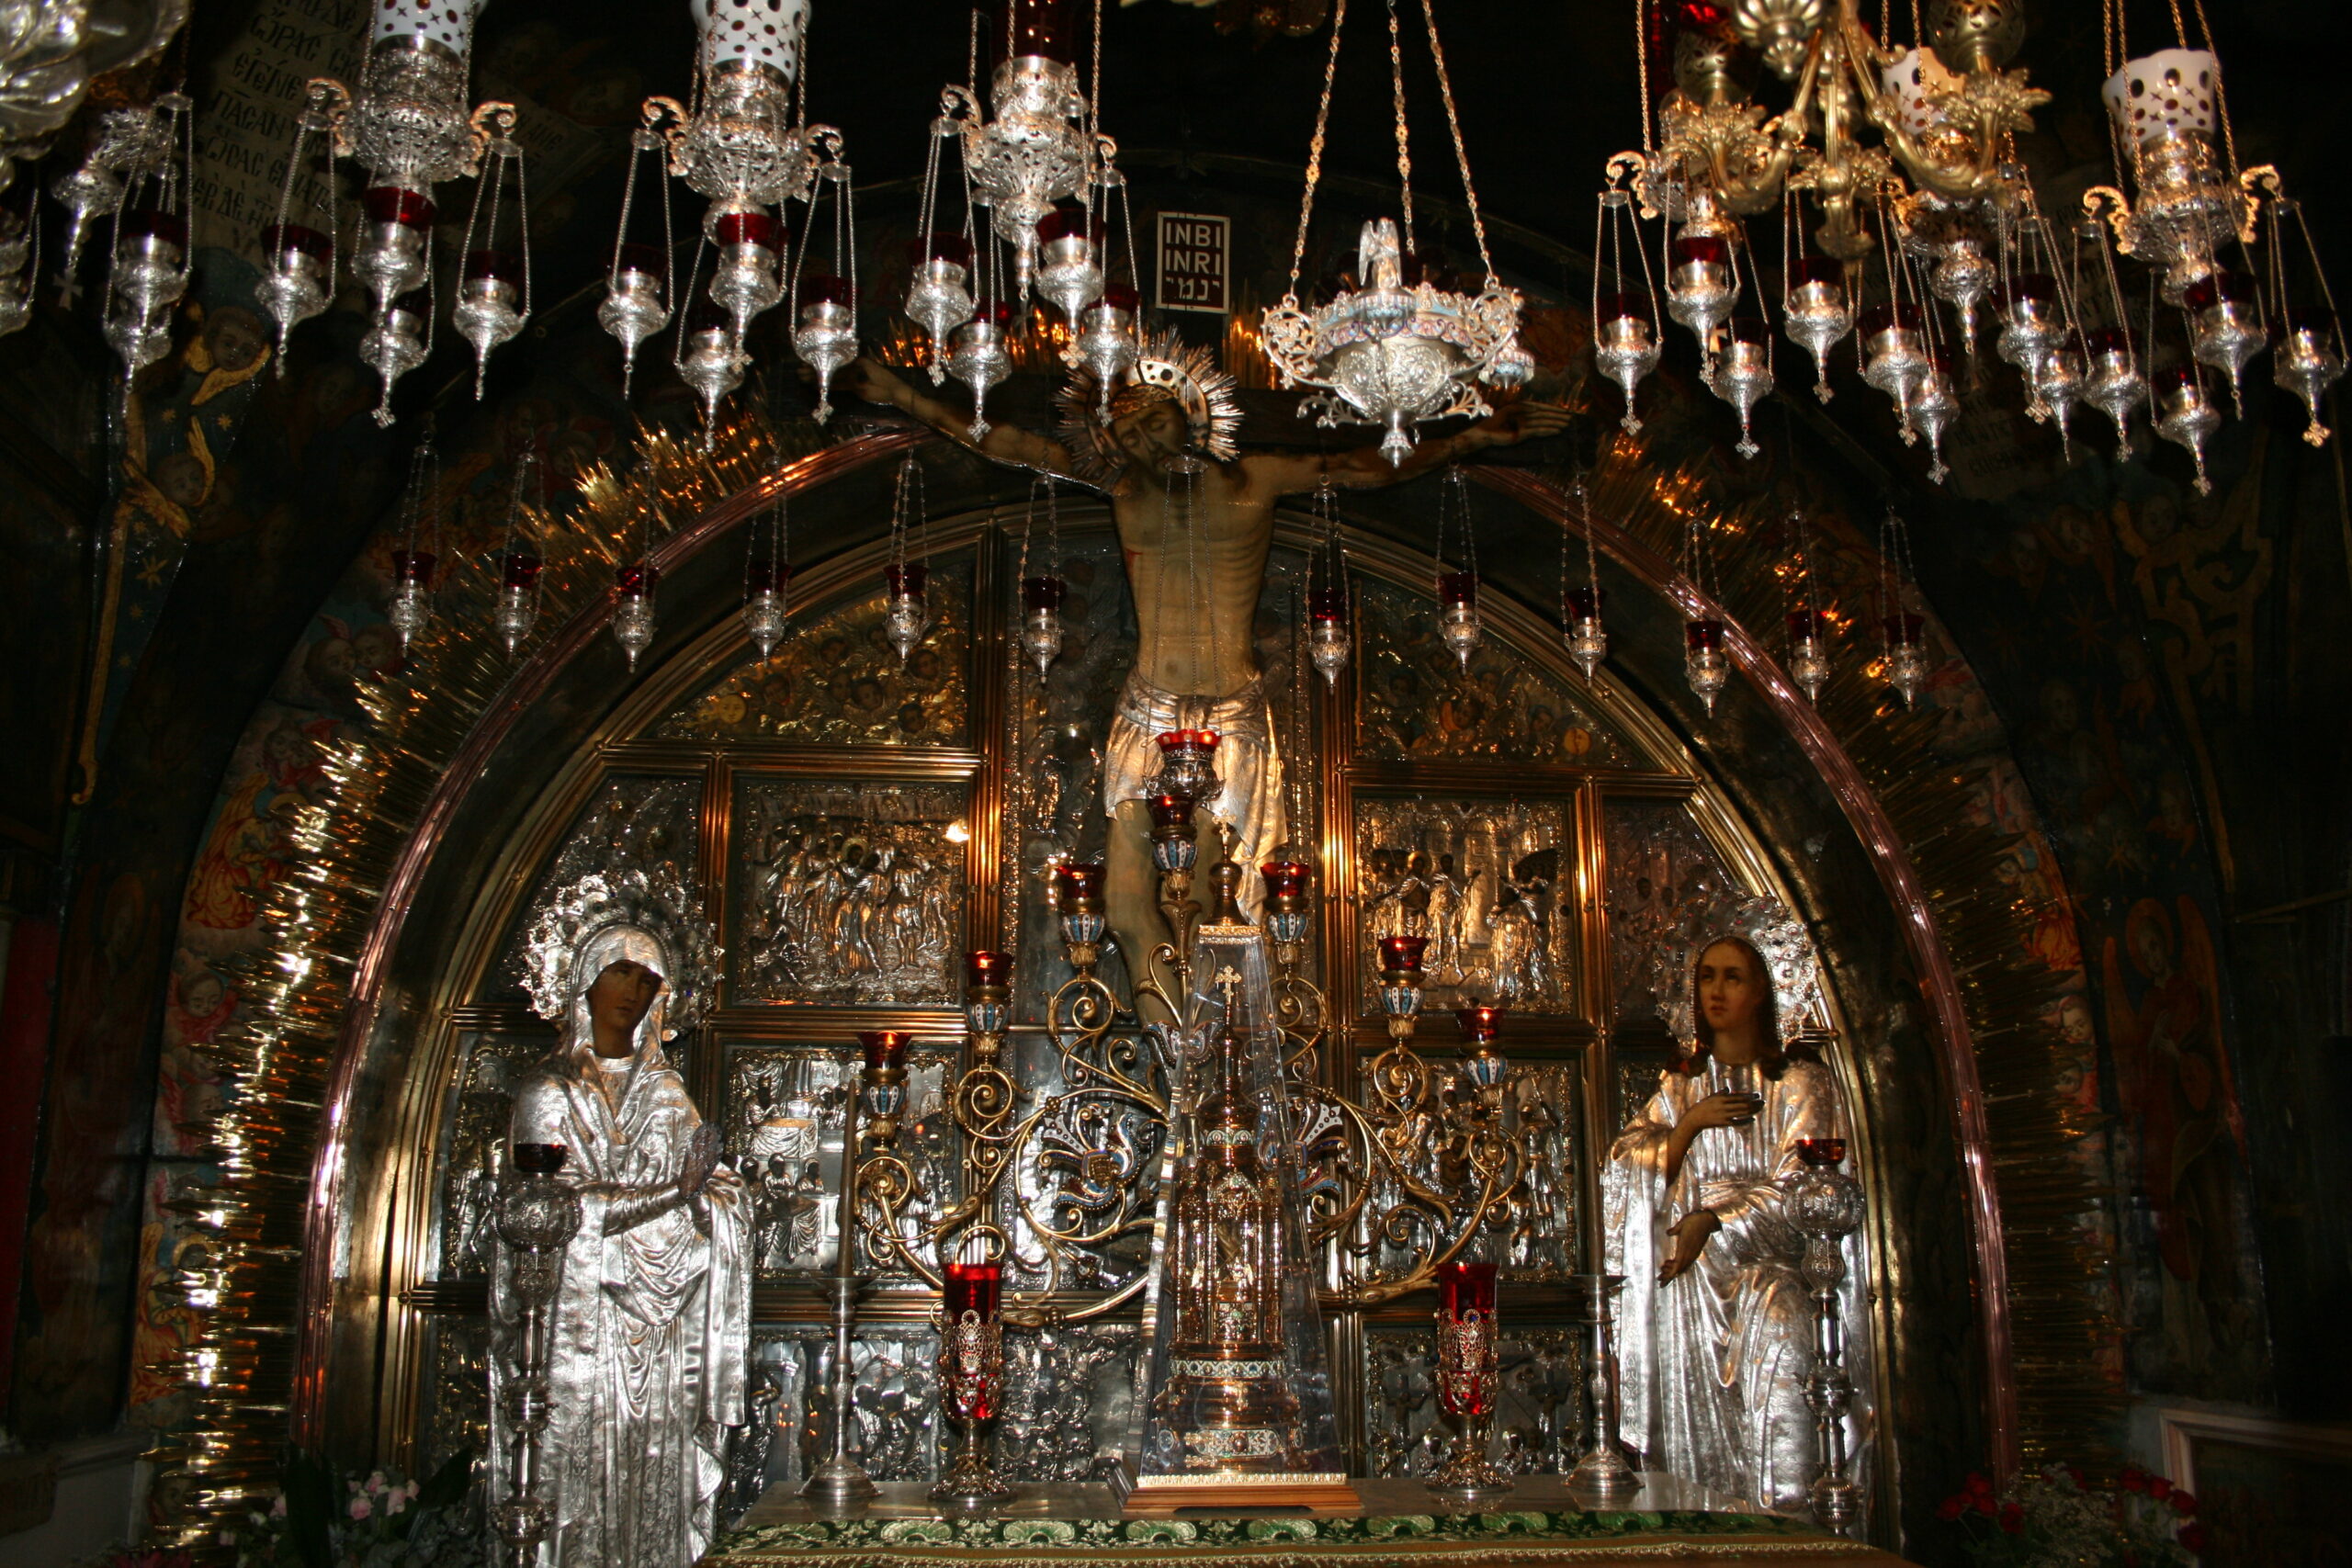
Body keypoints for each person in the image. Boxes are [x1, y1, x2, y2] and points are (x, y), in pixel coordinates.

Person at [841, 347, 1566, 1016]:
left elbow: (1366, 465)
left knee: (1236, 909)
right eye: (1126, 436)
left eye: (1154, 423)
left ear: (1190, 414)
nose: (1143, 445)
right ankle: (1179, 1069)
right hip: (1146, 709)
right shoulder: (1121, 487)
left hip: (1234, 720)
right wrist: (906, 395)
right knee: (1126, 904)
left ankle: (1217, 1067)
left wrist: (1473, 437)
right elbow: (1008, 443)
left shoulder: (1257, 479)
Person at [493, 925, 752, 1567]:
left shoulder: (666, 1097)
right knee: (572, 1490)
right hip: (575, 1331)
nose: (632, 990)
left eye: (647, 979)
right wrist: (670, 1193)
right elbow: (551, 1209)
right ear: (584, 980)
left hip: (659, 1339)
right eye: (619, 971)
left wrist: (705, 1199)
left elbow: (720, 1196)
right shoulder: (548, 1092)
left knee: (649, 1490)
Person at [1603, 933, 1853, 1511]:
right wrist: (1688, 1125)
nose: (1716, 990)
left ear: (1762, 989)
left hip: (1768, 1286)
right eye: (1707, 977)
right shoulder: (1682, 1087)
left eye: (1732, 977)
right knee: (1694, 1465)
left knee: (1780, 1429)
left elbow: (1809, 1193)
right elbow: (1621, 1171)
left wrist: (1712, 1219)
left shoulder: (1799, 1084)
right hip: (1690, 1296)